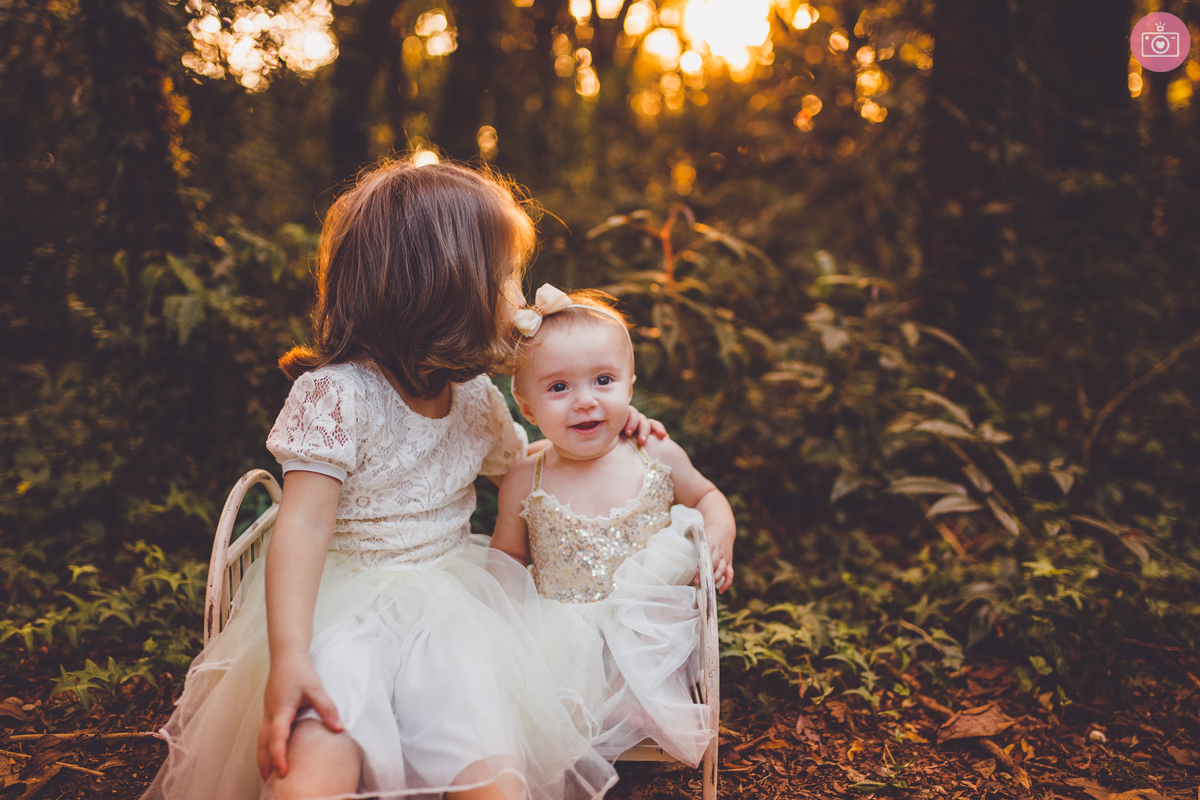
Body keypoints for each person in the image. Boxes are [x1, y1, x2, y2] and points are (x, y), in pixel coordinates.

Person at [141, 159, 664, 800]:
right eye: (506, 279)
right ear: (447, 288)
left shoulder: (475, 398)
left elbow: (531, 462)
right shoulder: (336, 394)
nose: (521, 300)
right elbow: (301, 524)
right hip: (342, 613)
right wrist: (291, 657)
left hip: (452, 611)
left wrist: (607, 428)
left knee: (487, 773)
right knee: (311, 770)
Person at [489, 285, 735, 767]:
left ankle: (636, 712)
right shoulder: (526, 476)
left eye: (603, 380)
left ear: (630, 384)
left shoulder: (652, 453)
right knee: (542, 672)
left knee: (643, 633)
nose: (584, 402)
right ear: (527, 407)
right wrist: (508, 620)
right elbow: (508, 554)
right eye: (559, 387)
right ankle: (563, 728)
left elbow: (705, 494)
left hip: (640, 627)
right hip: (559, 627)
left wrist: (720, 532)